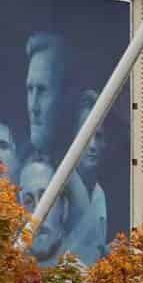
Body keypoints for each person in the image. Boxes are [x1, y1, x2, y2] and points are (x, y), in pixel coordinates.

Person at [62, 86, 111, 263]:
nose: (92, 145)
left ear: (105, 142)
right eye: (86, 135)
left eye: (97, 136)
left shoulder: (100, 195)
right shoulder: (60, 188)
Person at [23, 31, 69, 161]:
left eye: (42, 90)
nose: (33, 107)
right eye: (30, 90)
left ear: (63, 95)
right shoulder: (18, 166)